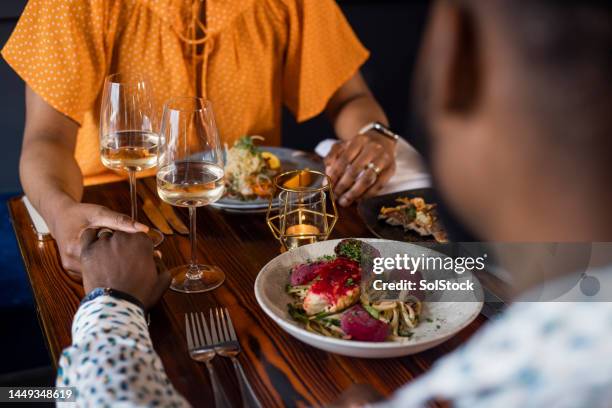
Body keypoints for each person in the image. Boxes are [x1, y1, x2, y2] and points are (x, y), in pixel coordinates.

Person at [57, 0, 612, 406]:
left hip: (223, 246)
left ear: (456, 56)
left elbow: (100, 396)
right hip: (113, 210)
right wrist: (61, 213)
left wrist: (111, 305)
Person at [1, 0, 398, 276]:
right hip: (115, 218)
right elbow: (46, 139)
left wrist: (374, 137)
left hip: (249, 225)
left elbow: (352, 98)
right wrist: (60, 211)